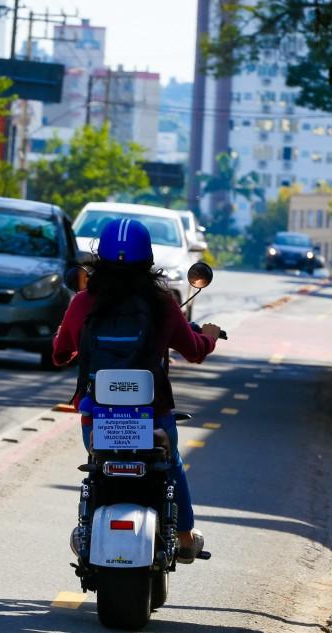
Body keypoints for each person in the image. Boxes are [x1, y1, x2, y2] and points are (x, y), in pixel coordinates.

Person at [52, 217, 222, 563]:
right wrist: (211, 335)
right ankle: (186, 536)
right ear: (148, 259)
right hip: (153, 418)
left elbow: (59, 354)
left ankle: (88, 527)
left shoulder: (83, 303)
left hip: (97, 422)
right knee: (170, 462)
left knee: (99, 465)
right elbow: (195, 350)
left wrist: (70, 338)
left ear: (99, 257)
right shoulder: (162, 304)